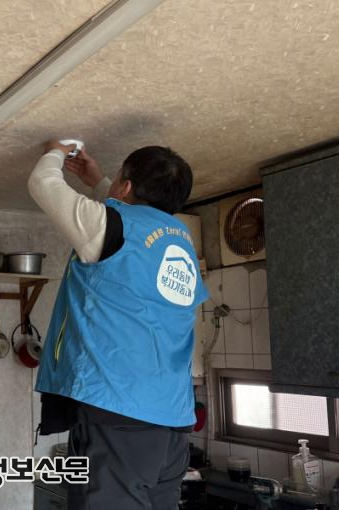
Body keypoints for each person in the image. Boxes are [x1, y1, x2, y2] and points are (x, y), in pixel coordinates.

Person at [29, 141, 209, 510]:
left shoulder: (111, 227)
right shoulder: (181, 241)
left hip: (118, 417)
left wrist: (55, 151)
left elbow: (43, 183)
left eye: (118, 180)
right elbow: (125, 223)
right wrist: (99, 182)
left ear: (125, 187)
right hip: (171, 426)